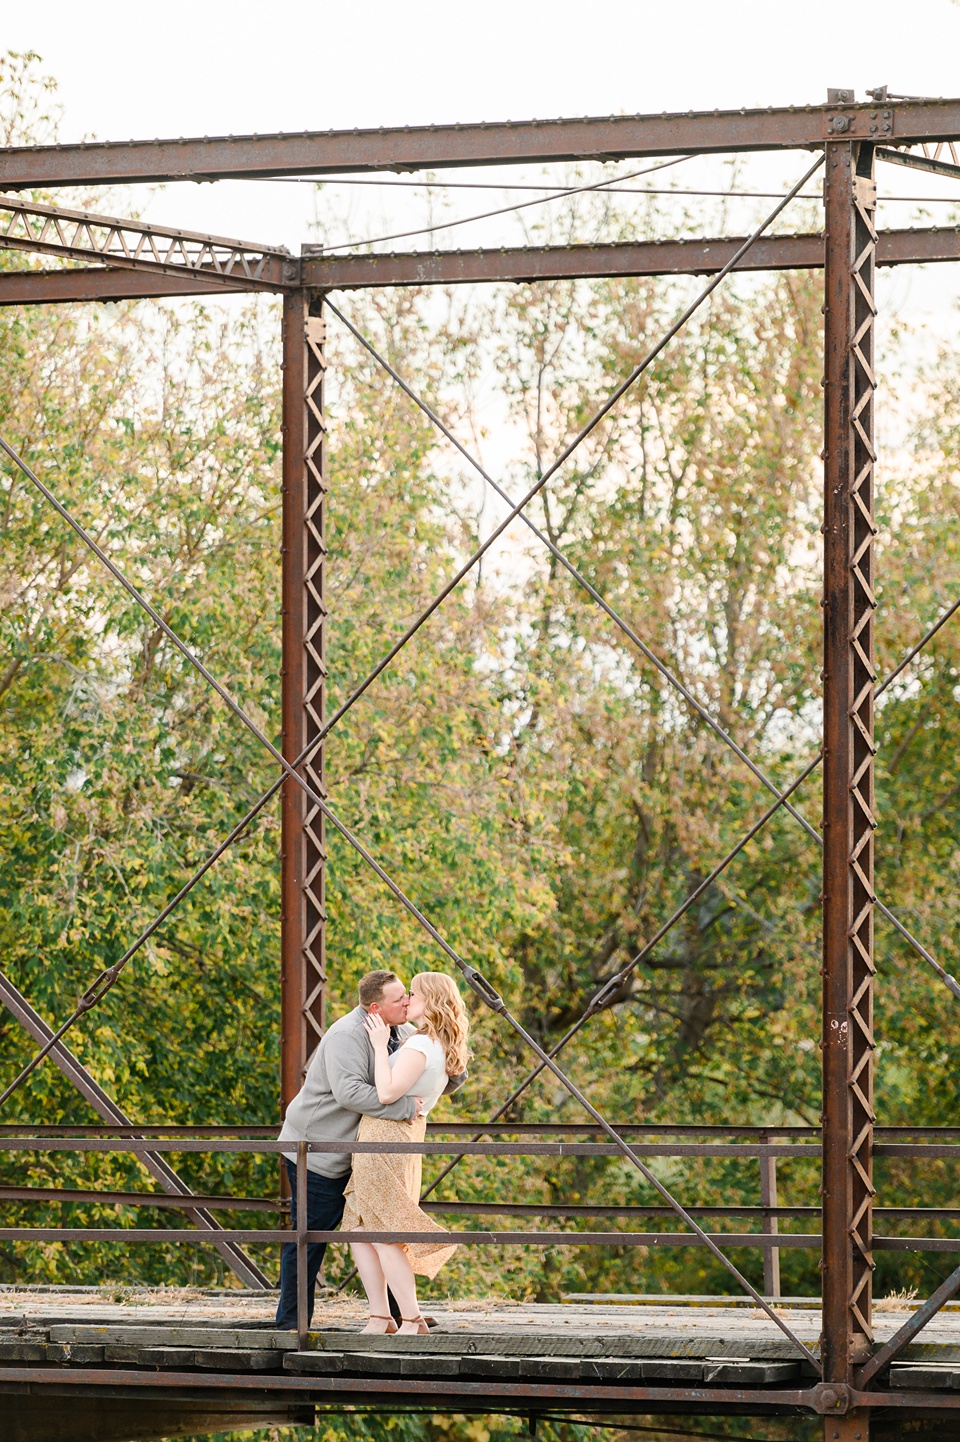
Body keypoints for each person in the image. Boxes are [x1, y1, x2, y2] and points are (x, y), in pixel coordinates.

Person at [275, 970, 420, 1331]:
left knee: (377, 1226)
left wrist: (449, 1058)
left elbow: (423, 1065)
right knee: (309, 1235)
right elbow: (350, 1094)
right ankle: (291, 1325)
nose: (408, 1002)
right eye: (399, 998)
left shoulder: (400, 1031)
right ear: (376, 1008)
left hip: (357, 1151)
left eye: (407, 995)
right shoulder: (347, 1036)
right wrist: (407, 1108)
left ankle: (397, 1315)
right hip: (317, 1149)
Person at [341, 971, 470, 1335]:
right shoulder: (432, 1043)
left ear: (429, 1000)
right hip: (396, 1137)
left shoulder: (418, 1046)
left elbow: (385, 1093)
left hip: (386, 1136)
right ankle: (380, 1316)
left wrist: (381, 1047)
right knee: (360, 1227)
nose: (407, 1000)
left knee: (383, 1232)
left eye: (412, 994)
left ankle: (411, 1317)